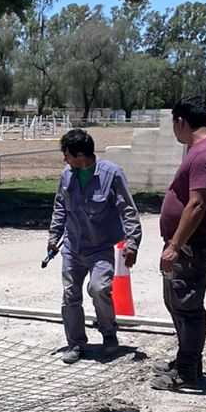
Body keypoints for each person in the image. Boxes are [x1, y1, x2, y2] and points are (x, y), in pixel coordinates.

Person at [152, 95, 206, 392]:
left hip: (190, 245)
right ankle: (187, 361)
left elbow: (197, 204)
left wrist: (175, 245)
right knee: (176, 301)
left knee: (187, 305)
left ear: (180, 121)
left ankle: (186, 372)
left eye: (174, 124)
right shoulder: (204, 149)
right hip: (186, 242)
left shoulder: (205, 153)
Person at [46, 128, 142, 363]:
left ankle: (109, 333)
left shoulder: (112, 174)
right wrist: (54, 236)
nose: (64, 159)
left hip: (100, 247)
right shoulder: (67, 174)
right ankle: (76, 343)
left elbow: (128, 210)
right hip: (72, 247)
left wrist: (132, 242)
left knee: (99, 288)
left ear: (80, 156)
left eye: (67, 155)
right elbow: (60, 206)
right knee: (70, 295)